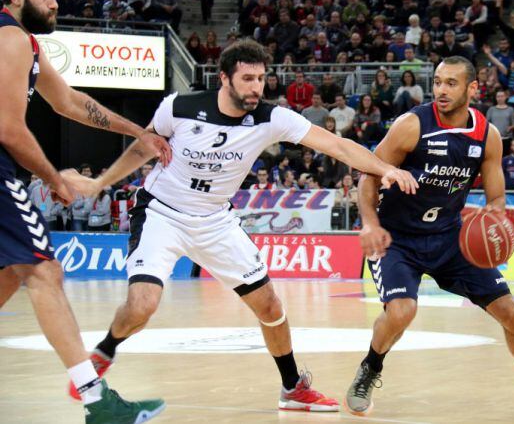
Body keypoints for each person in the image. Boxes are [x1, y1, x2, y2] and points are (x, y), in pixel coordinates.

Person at [62, 40, 418, 413]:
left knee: (269, 305)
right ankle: (103, 352)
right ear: (224, 79)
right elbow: (143, 147)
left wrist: (385, 169)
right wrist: (99, 183)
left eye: (262, 78)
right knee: (142, 306)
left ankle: (292, 388)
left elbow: (338, 146)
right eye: (248, 78)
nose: (256, 87)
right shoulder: (179, 107)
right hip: (162, 213)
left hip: (215, 220)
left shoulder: (271, 117)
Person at [344, 56, 514, 421]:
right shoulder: (411, 125)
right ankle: (371, 368)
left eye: (451, 83)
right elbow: (368, 175)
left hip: (451, 238)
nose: (441, 90)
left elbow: (496, 197)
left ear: (472, 88)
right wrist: (370, 224)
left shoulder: (487, 135)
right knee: (403, 311)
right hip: (398, 239)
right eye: (437, 82)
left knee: (513, 313)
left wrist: (495, 215)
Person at [0, 0, 171, 421]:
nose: (55, 3)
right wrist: (53, 176)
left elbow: (71, 103)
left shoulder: (27, 45)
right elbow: (9, 129)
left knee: (12, 275)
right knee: (43, 270)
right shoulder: (10, 37)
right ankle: (96, 400)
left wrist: (140, 132)